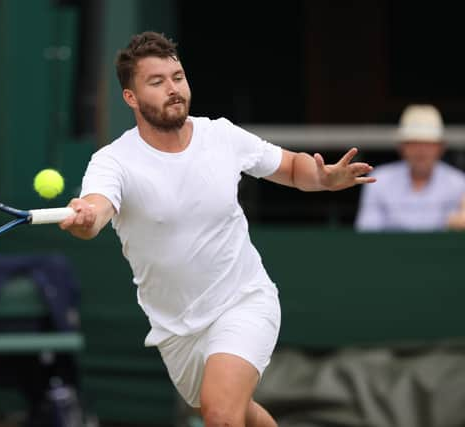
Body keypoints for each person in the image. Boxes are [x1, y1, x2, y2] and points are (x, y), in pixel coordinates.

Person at [58, 31, 375, 427]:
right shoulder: (113, 162)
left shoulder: (220, 135)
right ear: (131, 98)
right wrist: (85, 216)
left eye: (178, 77)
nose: (173, 89)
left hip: (242, 301)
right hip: (176, 330)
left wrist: (323, 179)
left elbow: (293, 168)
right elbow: (96, 211)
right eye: (157, 82)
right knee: (238, 414)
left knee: (222, 415)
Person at [355, 104, 465, 231]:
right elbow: (367, 233)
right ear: (401, 147)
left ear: (441, 147)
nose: (421, 151)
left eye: (428, 144)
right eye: (414, 143)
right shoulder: (378, 180)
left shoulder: (459, 183)